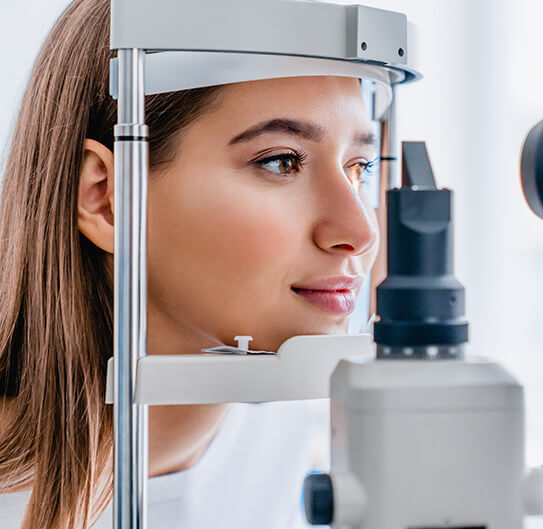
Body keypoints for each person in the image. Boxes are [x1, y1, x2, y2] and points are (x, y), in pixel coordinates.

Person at [0, 0, 380, 527]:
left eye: (359, 167)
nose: (359, 233)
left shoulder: (284, 433)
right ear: (108, 198)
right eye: (282, 161)